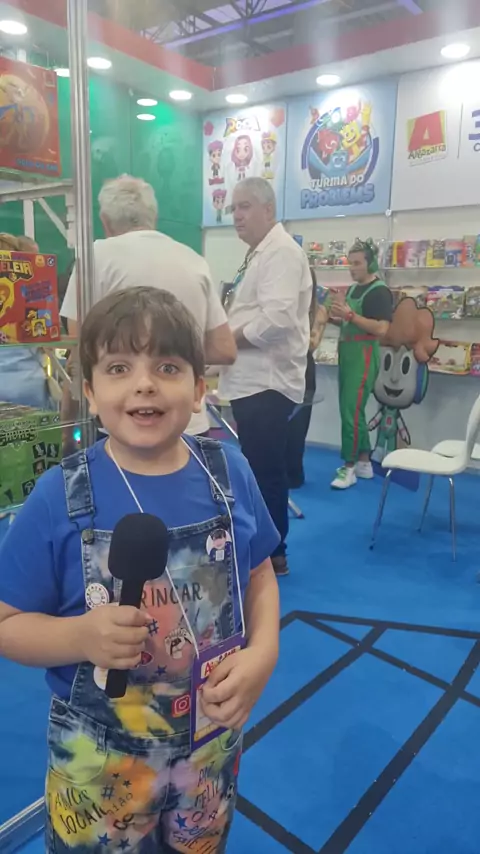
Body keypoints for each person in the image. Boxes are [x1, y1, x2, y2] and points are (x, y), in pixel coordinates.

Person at [0, 286, 280, 854]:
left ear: (199, 389)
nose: (144, 384)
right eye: (119, 367)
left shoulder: (230, 475)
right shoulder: (59, 497)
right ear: (89, 390)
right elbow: (7, 622)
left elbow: (258, 574)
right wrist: (78, 636)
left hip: (210, 746)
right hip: (100, 763)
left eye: (168, 367)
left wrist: (264, 652)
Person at [61, 174, 236, 444]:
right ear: (153, 217)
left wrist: (66, 423)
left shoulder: (96, 257)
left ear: (105, 221)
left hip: (125, 422)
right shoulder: (193, 259)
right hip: (187, 420)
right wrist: (172, 361)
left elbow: (80, 351)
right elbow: (225, 349)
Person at [219, 178, 312, 577]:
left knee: (264, 470)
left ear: (268, 209)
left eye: (245, 207)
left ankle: (273, 554)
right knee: (257, 468)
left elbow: (276, 321)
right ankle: (265, 549)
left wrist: (225, 341)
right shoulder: (261, 252)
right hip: (252, 380)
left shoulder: (281, 253)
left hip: (267, 382)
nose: (236, 216)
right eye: (233, 209)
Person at [329, 238, 392, 490]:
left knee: (350, 411)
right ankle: (364, 461)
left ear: (371, 263)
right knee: (354, 410)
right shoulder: (353, 289)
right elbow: (350, 322)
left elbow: (381, 329)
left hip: (364, 355)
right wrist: (333, 316)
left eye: (357, 263)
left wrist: (349, 315)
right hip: (347, 352)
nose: (352, 268)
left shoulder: (379, 291)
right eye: (350, 263)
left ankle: (349, 466)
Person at [287, 268, 327, 489]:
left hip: (303, 367)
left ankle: (294, 472)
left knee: (299, 423)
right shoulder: (286, 308)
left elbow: (312, 344)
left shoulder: (318, 312)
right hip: (283, 366)